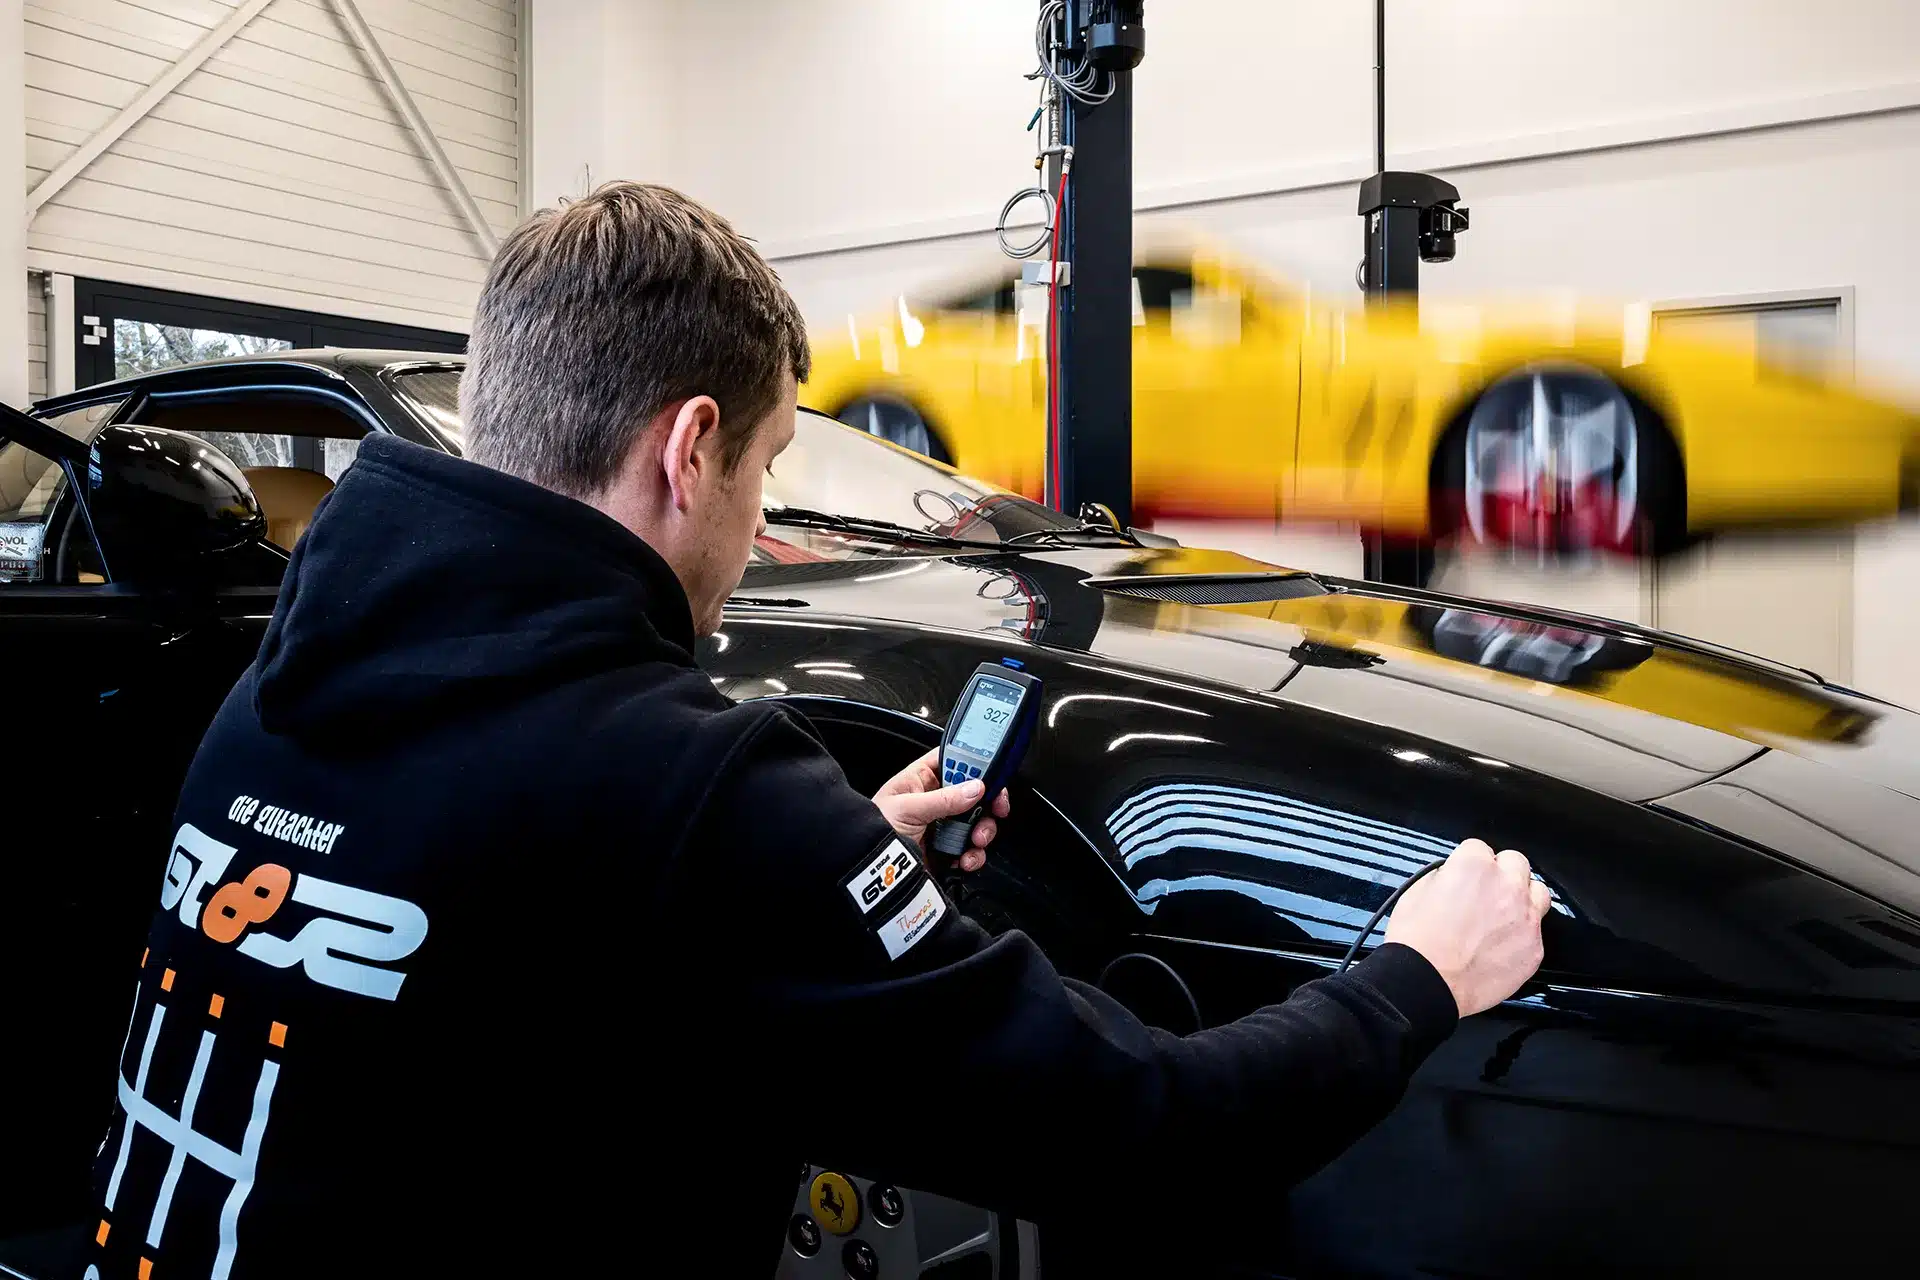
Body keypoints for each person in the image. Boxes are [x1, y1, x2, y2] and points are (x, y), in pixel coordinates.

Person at [83, 182, 1549, 1279]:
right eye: (771, 469)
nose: (764, 523)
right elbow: (1141, 1126)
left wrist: (830, 874)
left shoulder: (276, 694)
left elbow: (516, 950)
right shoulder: (688, 788)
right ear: (690, 447)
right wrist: (1415, 979)